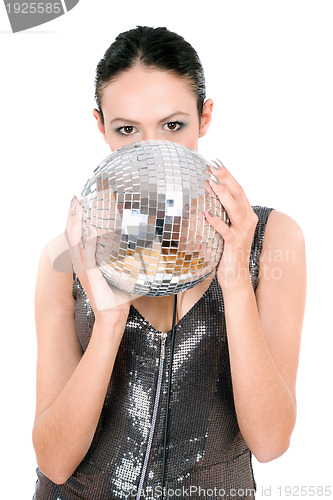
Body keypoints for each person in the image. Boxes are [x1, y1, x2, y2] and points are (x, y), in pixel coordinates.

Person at [32, 26, 306, 500]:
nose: (151, 151)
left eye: (173, 125)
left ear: (205, 116)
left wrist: (236, 280)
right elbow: (54, 463)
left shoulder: (272, 239)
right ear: (101, 127)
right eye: (126, 129)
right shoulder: (67, 256)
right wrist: (110, 320)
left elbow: (270, 442)